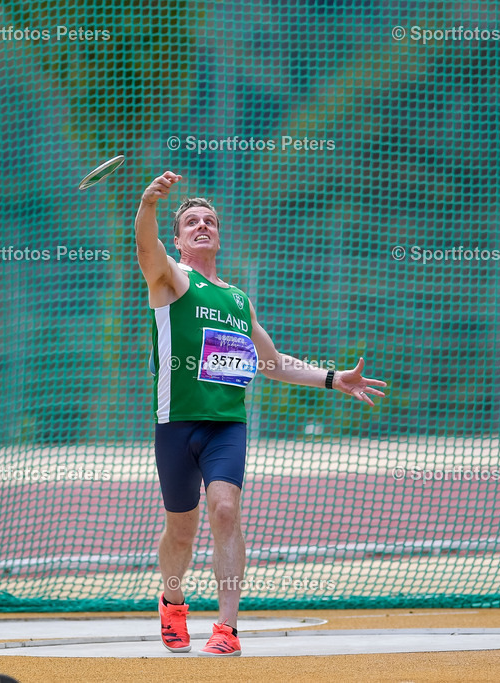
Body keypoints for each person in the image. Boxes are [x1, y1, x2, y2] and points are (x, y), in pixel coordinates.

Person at [134, 171, 387, 656]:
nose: (202, 225)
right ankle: (172, 600)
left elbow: (272, 363)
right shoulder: (170, 279)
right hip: (176, 425)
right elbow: (146, 246)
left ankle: (226, 629)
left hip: (227, 426)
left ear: (218, 235)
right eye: (192, 222)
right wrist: (148, 204)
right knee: (181, 532)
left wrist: (334, 378)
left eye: (210, 220)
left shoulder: (237, 300)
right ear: (179, 239)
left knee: (225, 510)